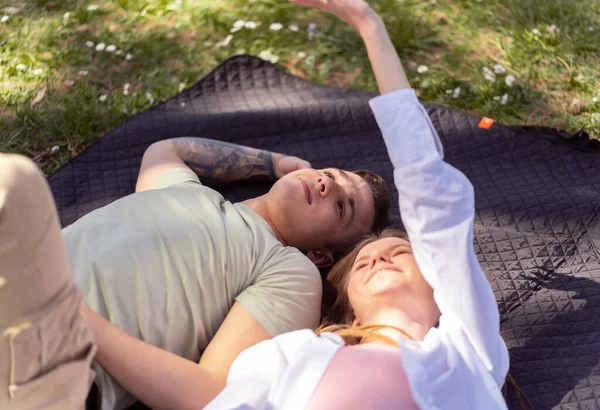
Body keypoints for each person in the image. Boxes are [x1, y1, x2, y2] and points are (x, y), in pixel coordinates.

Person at [61, 88, 388, 409]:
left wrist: (77, 314)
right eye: (330, 174)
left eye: (342, 207)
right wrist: (276, 163)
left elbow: (212, 395)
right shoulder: (185, 191)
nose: (326, 184)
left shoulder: (290, 271)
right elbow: (167, 151)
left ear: (320, 256)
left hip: (60, 351)